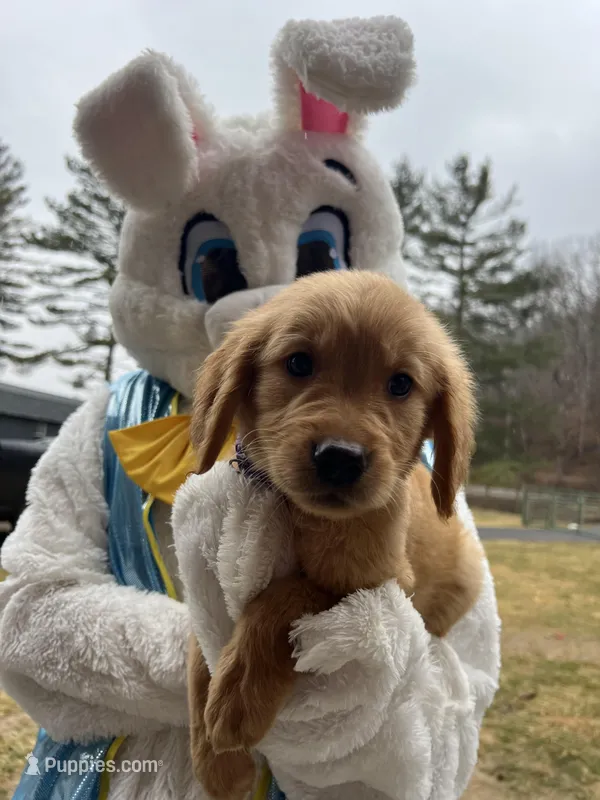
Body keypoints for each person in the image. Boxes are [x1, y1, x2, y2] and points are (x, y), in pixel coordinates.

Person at [0, 16, 500, 800]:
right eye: (298, 364)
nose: (265, 294)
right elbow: (25, 622)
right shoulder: (105, 427)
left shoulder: (420, 463)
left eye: (317, 260)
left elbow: (447, 733)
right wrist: (212, 652)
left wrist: (321, 671)